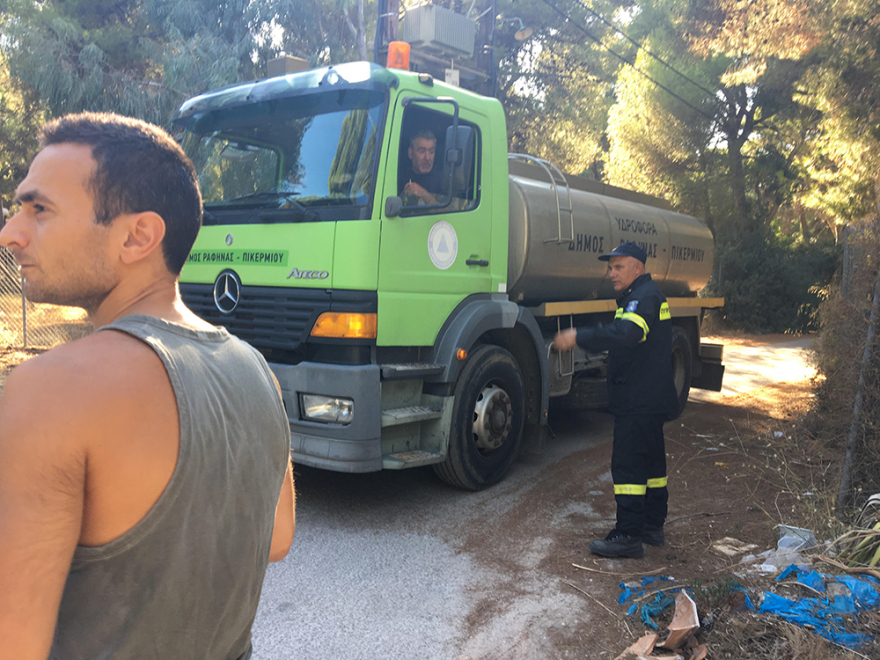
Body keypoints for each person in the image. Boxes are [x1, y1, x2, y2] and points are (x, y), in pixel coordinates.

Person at [0, 112, 295, 659]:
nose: (11, 232)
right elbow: (276, 541)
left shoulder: (50, 390)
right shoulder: (257, 369)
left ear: (138, 235)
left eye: (39, 209)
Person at [554, 241, 677, 559]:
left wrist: (579, 336)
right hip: (648, 397)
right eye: (610, 267)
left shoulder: (643, 298)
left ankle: (627, 535)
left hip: (637, 398)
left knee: (628, 467)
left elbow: (626, 333)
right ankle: (651, 526)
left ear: (638, 267)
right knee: (652, 465)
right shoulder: (644, 295)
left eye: (618, 267)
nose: (611, 273)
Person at [400, 129, 442, 205]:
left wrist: (424, 195)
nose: (427, 157)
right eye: (422, 151)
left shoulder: (442, 180)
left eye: (431, 152)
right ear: (410, 153)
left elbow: (451, 212)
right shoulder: (399, 178)